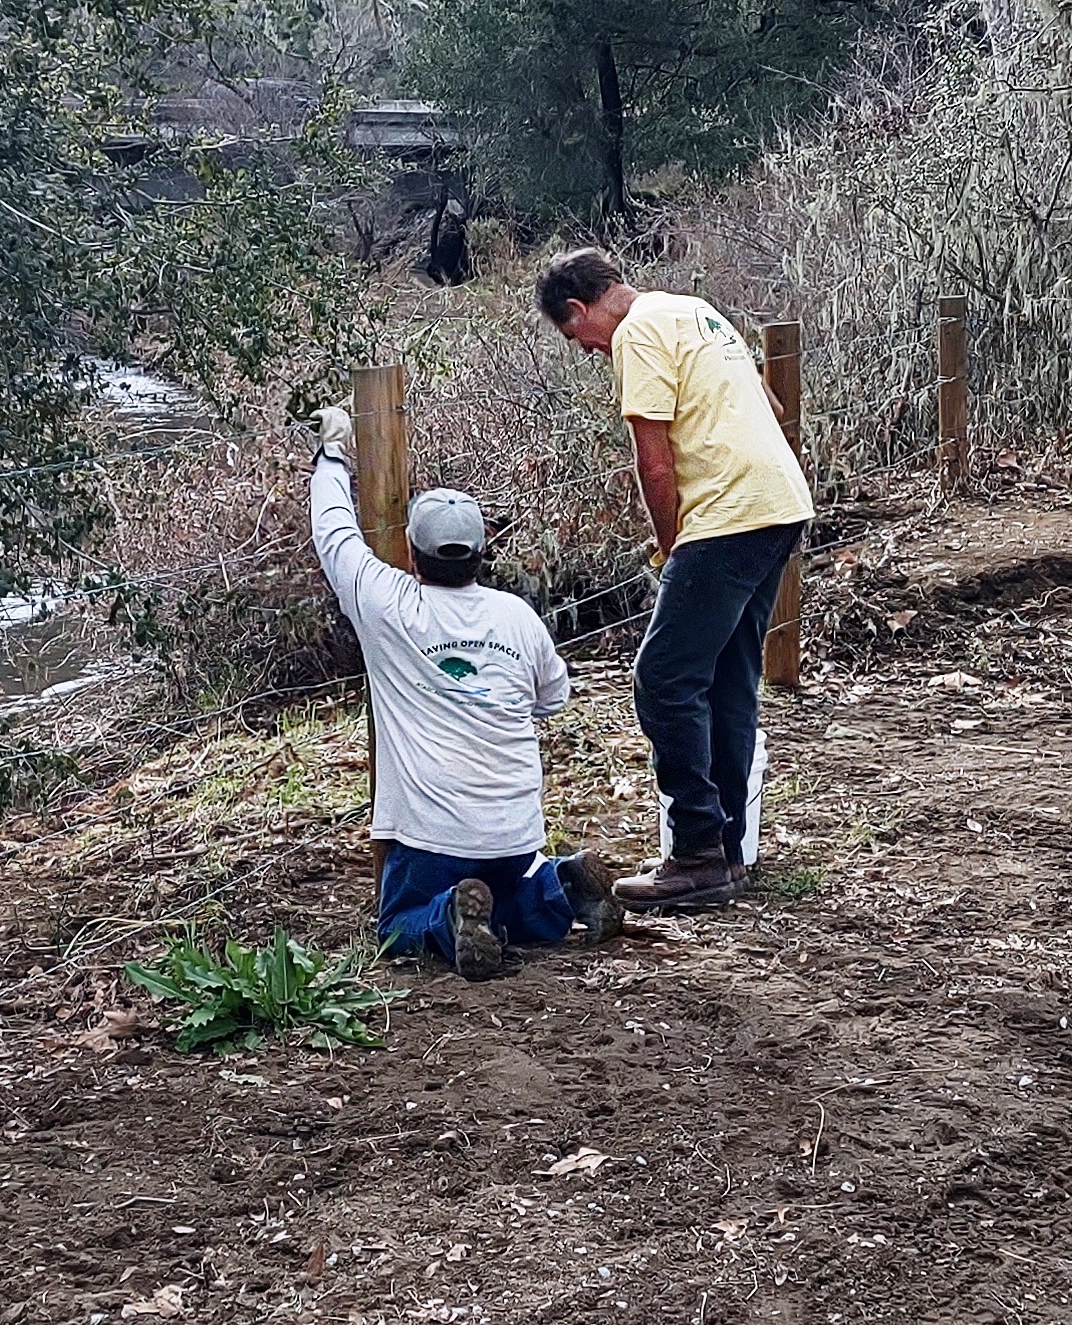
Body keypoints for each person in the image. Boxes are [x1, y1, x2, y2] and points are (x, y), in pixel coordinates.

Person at [534, 248, 814, 911]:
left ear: (578, 309)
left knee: (662, 679)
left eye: (576, 339)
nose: (588, 352)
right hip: (779, 508)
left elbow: (653, 464)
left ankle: (694, 852)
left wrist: (671, 547)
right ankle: (728, 853)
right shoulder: (696, 311)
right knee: (725, 680)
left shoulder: (634, 335)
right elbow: (770, 404)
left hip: (726, 519)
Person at [308, 405, 618, 978]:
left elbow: (334, 533)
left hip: (432, 839)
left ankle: (448, 914)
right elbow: (554, 697)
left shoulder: (387, 603)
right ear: (481, 552)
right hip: (516, 835)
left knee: (398, 922)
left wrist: (332, 455)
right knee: (509, 908)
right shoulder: (517, 615)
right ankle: (560, 888)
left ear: (410, 550)